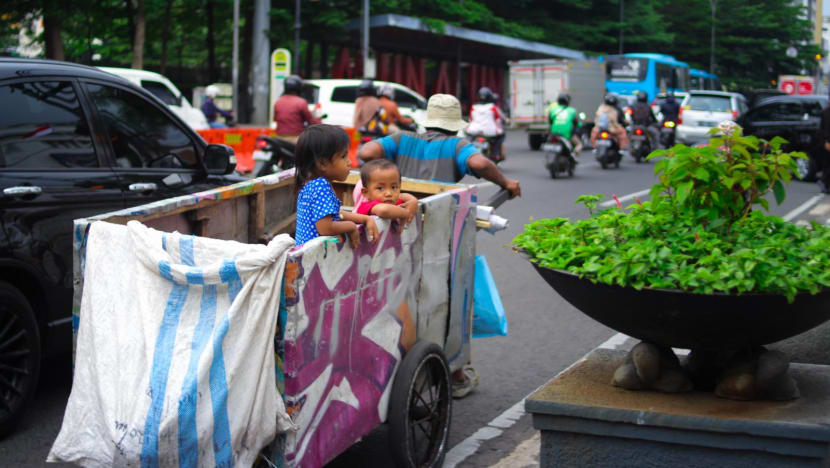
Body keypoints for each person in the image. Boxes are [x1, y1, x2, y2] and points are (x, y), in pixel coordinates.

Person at [358, 93, 521, 399]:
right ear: (454, 125)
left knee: (397, 297)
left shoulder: (402, 139)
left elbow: (367, 150)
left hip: (396, 228)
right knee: (446, 298)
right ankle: (456, 373)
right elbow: (479, 162)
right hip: (439, 235)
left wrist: (389, 180)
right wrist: (506, 183)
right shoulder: (456, 146)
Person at [294, 124, 379, 247]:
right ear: (322, 163)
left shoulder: (312, 184)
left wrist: (365, 219)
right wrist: (351, 227)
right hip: (314, 259)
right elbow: (325, 228)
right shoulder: (320, 186)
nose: (349, 162)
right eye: (343, 156)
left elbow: (337, 213)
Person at [355, 159, 419, 224]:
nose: (389, 193)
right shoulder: (367, 207)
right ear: (366, 192)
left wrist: (413, 201)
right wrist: (406, 213)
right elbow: (384, 210)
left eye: (393, 187)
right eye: (380, 188)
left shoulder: (394, 202)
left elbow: (403, 196)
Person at [273, 75, 321, 145]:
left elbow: (275, 118)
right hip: (295, 139)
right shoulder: (301, 102)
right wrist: (319, 124)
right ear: (299, 87)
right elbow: (310, 121)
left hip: (279, 138)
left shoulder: (278, 101)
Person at [466, 87, 509, 161]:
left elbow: (470, 119)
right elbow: (497, 119)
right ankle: (496, 154)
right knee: (501, 136)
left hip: (474, 131)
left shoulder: (473, 107)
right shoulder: (492, 107)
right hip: (490, 132)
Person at [817, 99, 830, 194]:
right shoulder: (826, 112)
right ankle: (824, 184)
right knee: (827, 165)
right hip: (827, 142)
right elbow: (824, 129)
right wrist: (826, 141)